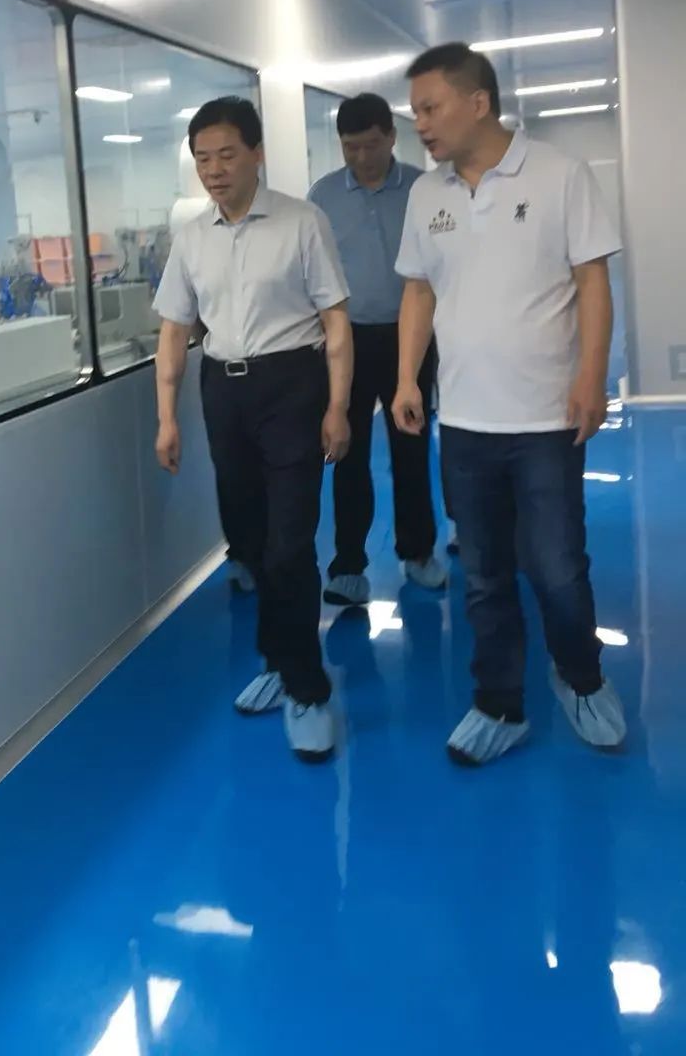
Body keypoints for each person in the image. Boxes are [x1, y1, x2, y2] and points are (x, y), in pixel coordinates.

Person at [391, 43, 626, 766]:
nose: (420, 123)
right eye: (415, 110)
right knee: (485, 574)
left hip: (545, 418)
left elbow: (591, 281)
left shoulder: (559, 174)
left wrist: (592, 376)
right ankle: (499, 704)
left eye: (430, 108)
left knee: (557, 567)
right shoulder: (427, 195)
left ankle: (580, 678)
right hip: (464, 422)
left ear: (478, 102)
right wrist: (407, 379)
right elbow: (419, 291)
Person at [153, 96, 353, 762]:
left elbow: (335, 320)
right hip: (224, 391)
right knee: (250, 539)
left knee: (290, 544)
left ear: (256, 154)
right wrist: (166, 419)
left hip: (293, 385)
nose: (214, 170)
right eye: (202, 158)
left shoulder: (302, 222)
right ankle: (278, 658)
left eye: (226, 155)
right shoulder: (192, 237)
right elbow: (174, 331)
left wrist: (337, 406)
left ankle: (308, 690)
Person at [308, 92, 446, 604]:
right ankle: (348, 566)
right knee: (346, 452)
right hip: (345, 341)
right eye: (351, 147)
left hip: (411, 338)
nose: (362, 157)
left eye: (371, 145)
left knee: (411, 448)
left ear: (391, 136)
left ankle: (418, 552)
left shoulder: (423, 189)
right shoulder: (323, 197)